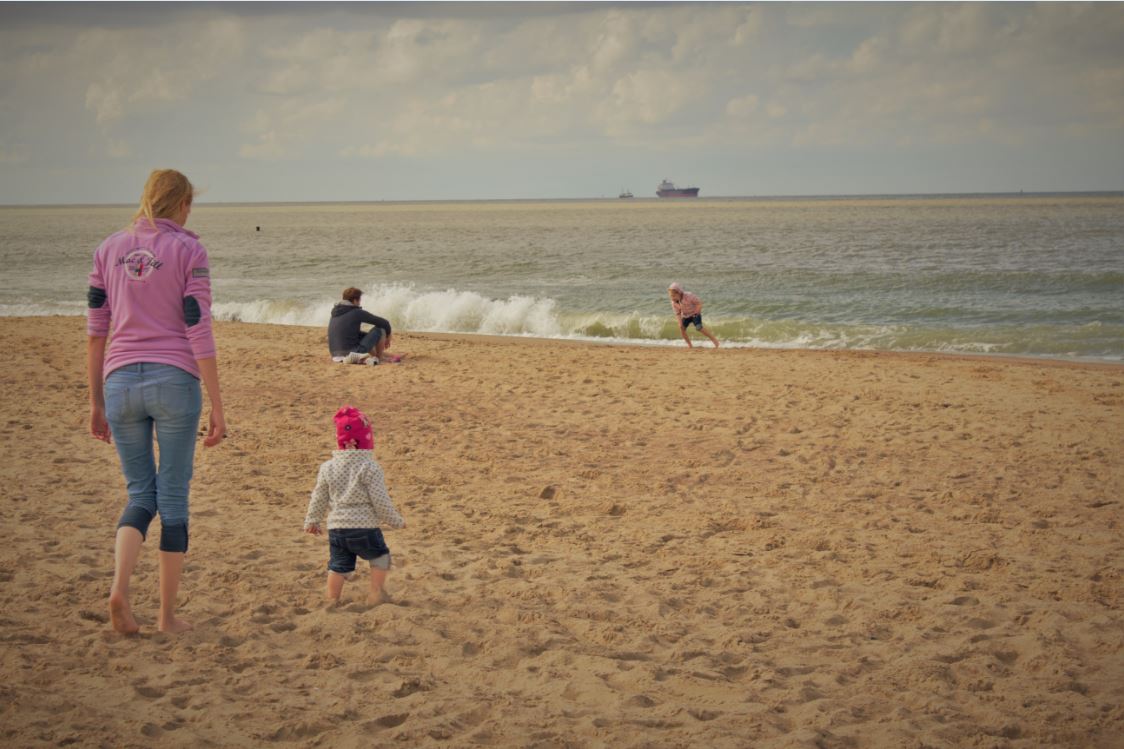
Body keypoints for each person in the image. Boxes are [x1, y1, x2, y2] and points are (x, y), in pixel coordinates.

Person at [87, 169, 226, 635]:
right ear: (183, 203)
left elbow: (95, 333)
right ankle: (167, 616)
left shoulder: (107, 249)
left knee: (139, 495)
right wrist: (218, 405)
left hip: (119, 382)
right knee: (173, 496)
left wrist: (95, 402)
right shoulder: (190, 249)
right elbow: (197, 326)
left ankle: (121, 590)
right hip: (174, 380)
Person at [304, 405, 405, 605]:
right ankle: (376, 594)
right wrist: (396, 521)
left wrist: (312, 520)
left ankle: (332, 600)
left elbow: (319, 496)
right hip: (364, 528)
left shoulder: (327, 467)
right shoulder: (370, 467)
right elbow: (380, 500)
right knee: (380, 557)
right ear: (367, 440)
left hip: (337, 529)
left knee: (338, 565)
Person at [326, 287, 398, 365]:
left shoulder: (335, 313)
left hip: (335, 355)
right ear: (355, 300)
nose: (360, 303)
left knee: (362, 335)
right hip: (353, 354)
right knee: (380, 329)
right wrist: (388, 337)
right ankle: (379, 358)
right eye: (359, 300)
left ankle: (390, 356)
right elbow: (384, 323)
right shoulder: (356, 312)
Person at [668, 282, 720, 348]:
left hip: (694, 313)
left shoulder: (689, 296)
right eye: (670, 296)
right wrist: (680, 323)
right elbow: (677, 313)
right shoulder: (674, 302)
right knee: (682, 328)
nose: (672, 298)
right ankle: (690, 345)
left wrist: (697, 312)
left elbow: (699, 303)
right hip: (685, 316)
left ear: (679, 293)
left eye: (673, 296)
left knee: (699, 328)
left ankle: (714, 340)